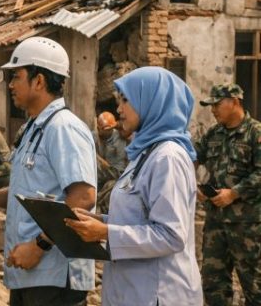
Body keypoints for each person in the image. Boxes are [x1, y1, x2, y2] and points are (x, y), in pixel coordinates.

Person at [0, 36, 97, 306]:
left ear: (39, 81)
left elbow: (83, 197)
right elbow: (29, 190)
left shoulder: (64, 128)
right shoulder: (34, 128)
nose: (10, 84)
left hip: (55, 277)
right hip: (31, 274)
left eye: (16, 76)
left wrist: (39, 246)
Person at [66, 66, 203, 306]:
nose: (119, 109)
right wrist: (99, 221)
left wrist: (105, 232)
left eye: (126, 100)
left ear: (152, 101)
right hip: (133, 290)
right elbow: (138, 217)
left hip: (159, 294)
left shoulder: (168, 157)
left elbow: (171, 235)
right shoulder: (145, 153)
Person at [195, 84, 261, 305]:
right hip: (215, 222)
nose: (213, 110)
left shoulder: (255, 133)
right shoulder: (213, 133)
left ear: (234, 102)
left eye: (217, 104)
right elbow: (193, 157)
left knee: (254, 287)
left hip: (247, 225)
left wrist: (233, 193)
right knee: (213, 285)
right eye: (211, 105)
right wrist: (194, 186)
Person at [94, 112, 128, 213]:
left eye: (109, 129)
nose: (105, 131)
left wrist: (97, 158)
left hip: (115, 173)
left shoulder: (119, 140)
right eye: (101, 129)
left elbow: (118, 172)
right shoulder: (93, 137)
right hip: (98, 176)